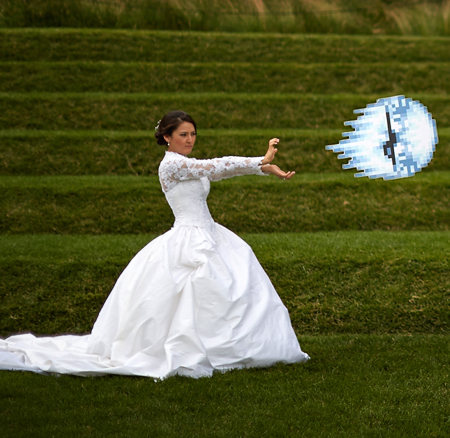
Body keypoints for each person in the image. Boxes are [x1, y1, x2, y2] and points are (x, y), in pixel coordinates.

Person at [0, 110, 308, 378]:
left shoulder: (186, 163)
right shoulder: (171, 166)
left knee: (235, 280)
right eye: (183, 135)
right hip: (188, 236)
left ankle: (241, 347)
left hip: (210, 232)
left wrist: (263, 168)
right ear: (166, 138)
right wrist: (260, 159)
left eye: (193, 134)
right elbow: (215, 167)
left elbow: (216, 172)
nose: (190, 139)